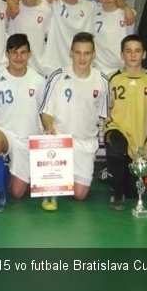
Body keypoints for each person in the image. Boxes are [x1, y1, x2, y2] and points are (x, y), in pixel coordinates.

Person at [40, 32, 109, 210]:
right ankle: (53, 181)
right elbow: (46, 113)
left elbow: (104, 114)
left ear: (94, 54)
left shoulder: (102, 80)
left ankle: (66, 174)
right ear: (71, 53)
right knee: (48, 139)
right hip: (59, 141)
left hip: (85, 143)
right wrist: (49, 128)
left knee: (80, 195)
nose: (82, 57)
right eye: (78, 52)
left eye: (87, 53)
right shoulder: (57, 76)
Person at [0, 33, 47, 212]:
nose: (18, 57)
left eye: (22, 53)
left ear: (29, 54)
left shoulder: (39, 80)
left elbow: (45, 113)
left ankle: (5, 170)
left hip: (28, 139)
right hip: (4, 133)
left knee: (19, 193)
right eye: (14, 53)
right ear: (7, 54)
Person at [104, 35, 147, 211]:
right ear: (122, 55)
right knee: (116, 146)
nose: (133, 55)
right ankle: (116, 193)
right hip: (116, 130)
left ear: (143, 55)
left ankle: (114, 175)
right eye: (128, 51)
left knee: (134, 192)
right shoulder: (111, 79)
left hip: (140, 144)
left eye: (137, 51)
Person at [39, 0, 96, 75]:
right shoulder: (53, 4)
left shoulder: (90, 7)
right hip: (55, 68)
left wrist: (125, 7)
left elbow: (112, 5)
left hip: (81, 68)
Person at [6, 0, 51, 76]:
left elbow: (51, 40)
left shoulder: (47, 10)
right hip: (15, 69)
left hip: (38, 69)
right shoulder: (12, 9)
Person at [93, 0, 134, 75]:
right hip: (99, 69)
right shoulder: (92, 14)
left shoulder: (129, 14)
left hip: (123, 69)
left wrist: (126, 8)